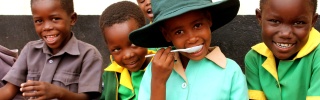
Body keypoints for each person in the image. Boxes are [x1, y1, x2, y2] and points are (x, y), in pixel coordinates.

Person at [129, 0, 248, 99]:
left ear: (208, 19)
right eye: (179, 32)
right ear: (166, 34)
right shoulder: (155, 71)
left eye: (197, 25)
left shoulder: (231, 72)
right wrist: (158, 82)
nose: (192, 39)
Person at [0, 0, 103, 99]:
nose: (47, 27)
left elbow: (87, 98)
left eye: (55, 19)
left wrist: (59, 93)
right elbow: (9, 90)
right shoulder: (30, 50)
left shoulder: (89, 55)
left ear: (72, 19)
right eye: (39, 21)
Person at [245, 0, 320, 99]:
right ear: (259, 17)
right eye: (275, 21)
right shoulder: (255, 58)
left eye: (299, 22)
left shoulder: (317, 56)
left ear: (312, 22)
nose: (285, 34)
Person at [99, 1, 155, 100]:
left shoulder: (161, 65)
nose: (128, 55)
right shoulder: (111, 73)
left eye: (133, 43)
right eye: (117, 49)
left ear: (145, 36)